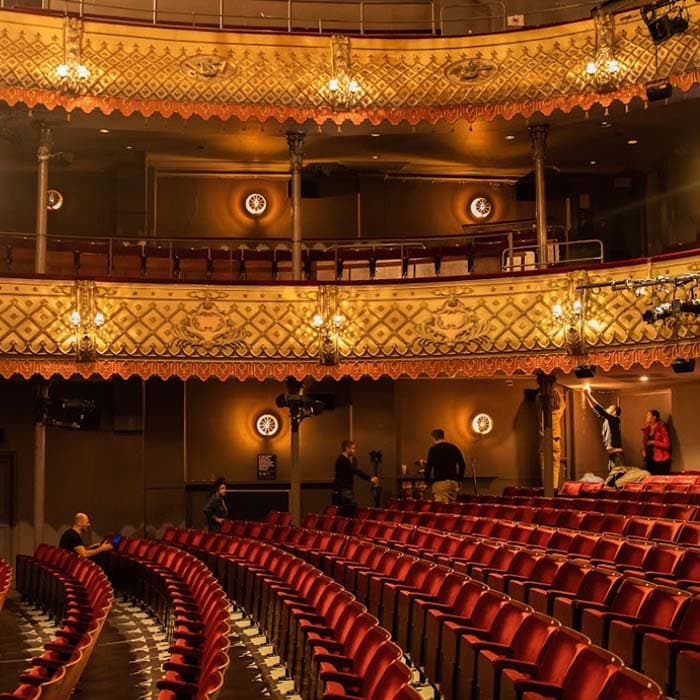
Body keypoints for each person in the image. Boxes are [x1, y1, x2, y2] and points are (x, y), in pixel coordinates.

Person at [332, 440, 379, 517]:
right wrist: (370, 478)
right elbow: (355, 471)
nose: (354, 451)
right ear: (347, 448)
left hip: (343, 490)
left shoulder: (344, 460)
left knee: (347, 513)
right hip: (344, 490)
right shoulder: (343, 460)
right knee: (352, 512)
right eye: (353, 448)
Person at [584, 387, 624, 470]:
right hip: (612, 455)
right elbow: (596, 410)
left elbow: (601, 410)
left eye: (610, 408)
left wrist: (588, 395)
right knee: (613, 476)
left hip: (617, 456)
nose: (607, 409)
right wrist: (587, 396)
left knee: (617, 475)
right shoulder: (608, 420)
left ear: (614, 412)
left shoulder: (615, 419)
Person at [424, 429, 466, 503]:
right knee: (452, 507)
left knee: (442, 508)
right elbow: (462, 465)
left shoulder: (434, 449)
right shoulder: (453, 448)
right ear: (443, 437)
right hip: (453, 483)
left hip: (441, 483)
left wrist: (427, 482)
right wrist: (459, 479)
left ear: (433, 437)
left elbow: (428, 467)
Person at [641, 409, 671, 475]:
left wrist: (654, 442)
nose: (646, 417)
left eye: (648, 415)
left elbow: (667, 445)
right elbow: (645, 443)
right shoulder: (647, 429)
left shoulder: (661, 428)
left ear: (654, 417)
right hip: (649, 459)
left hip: (660, 459)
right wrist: (643, 450)